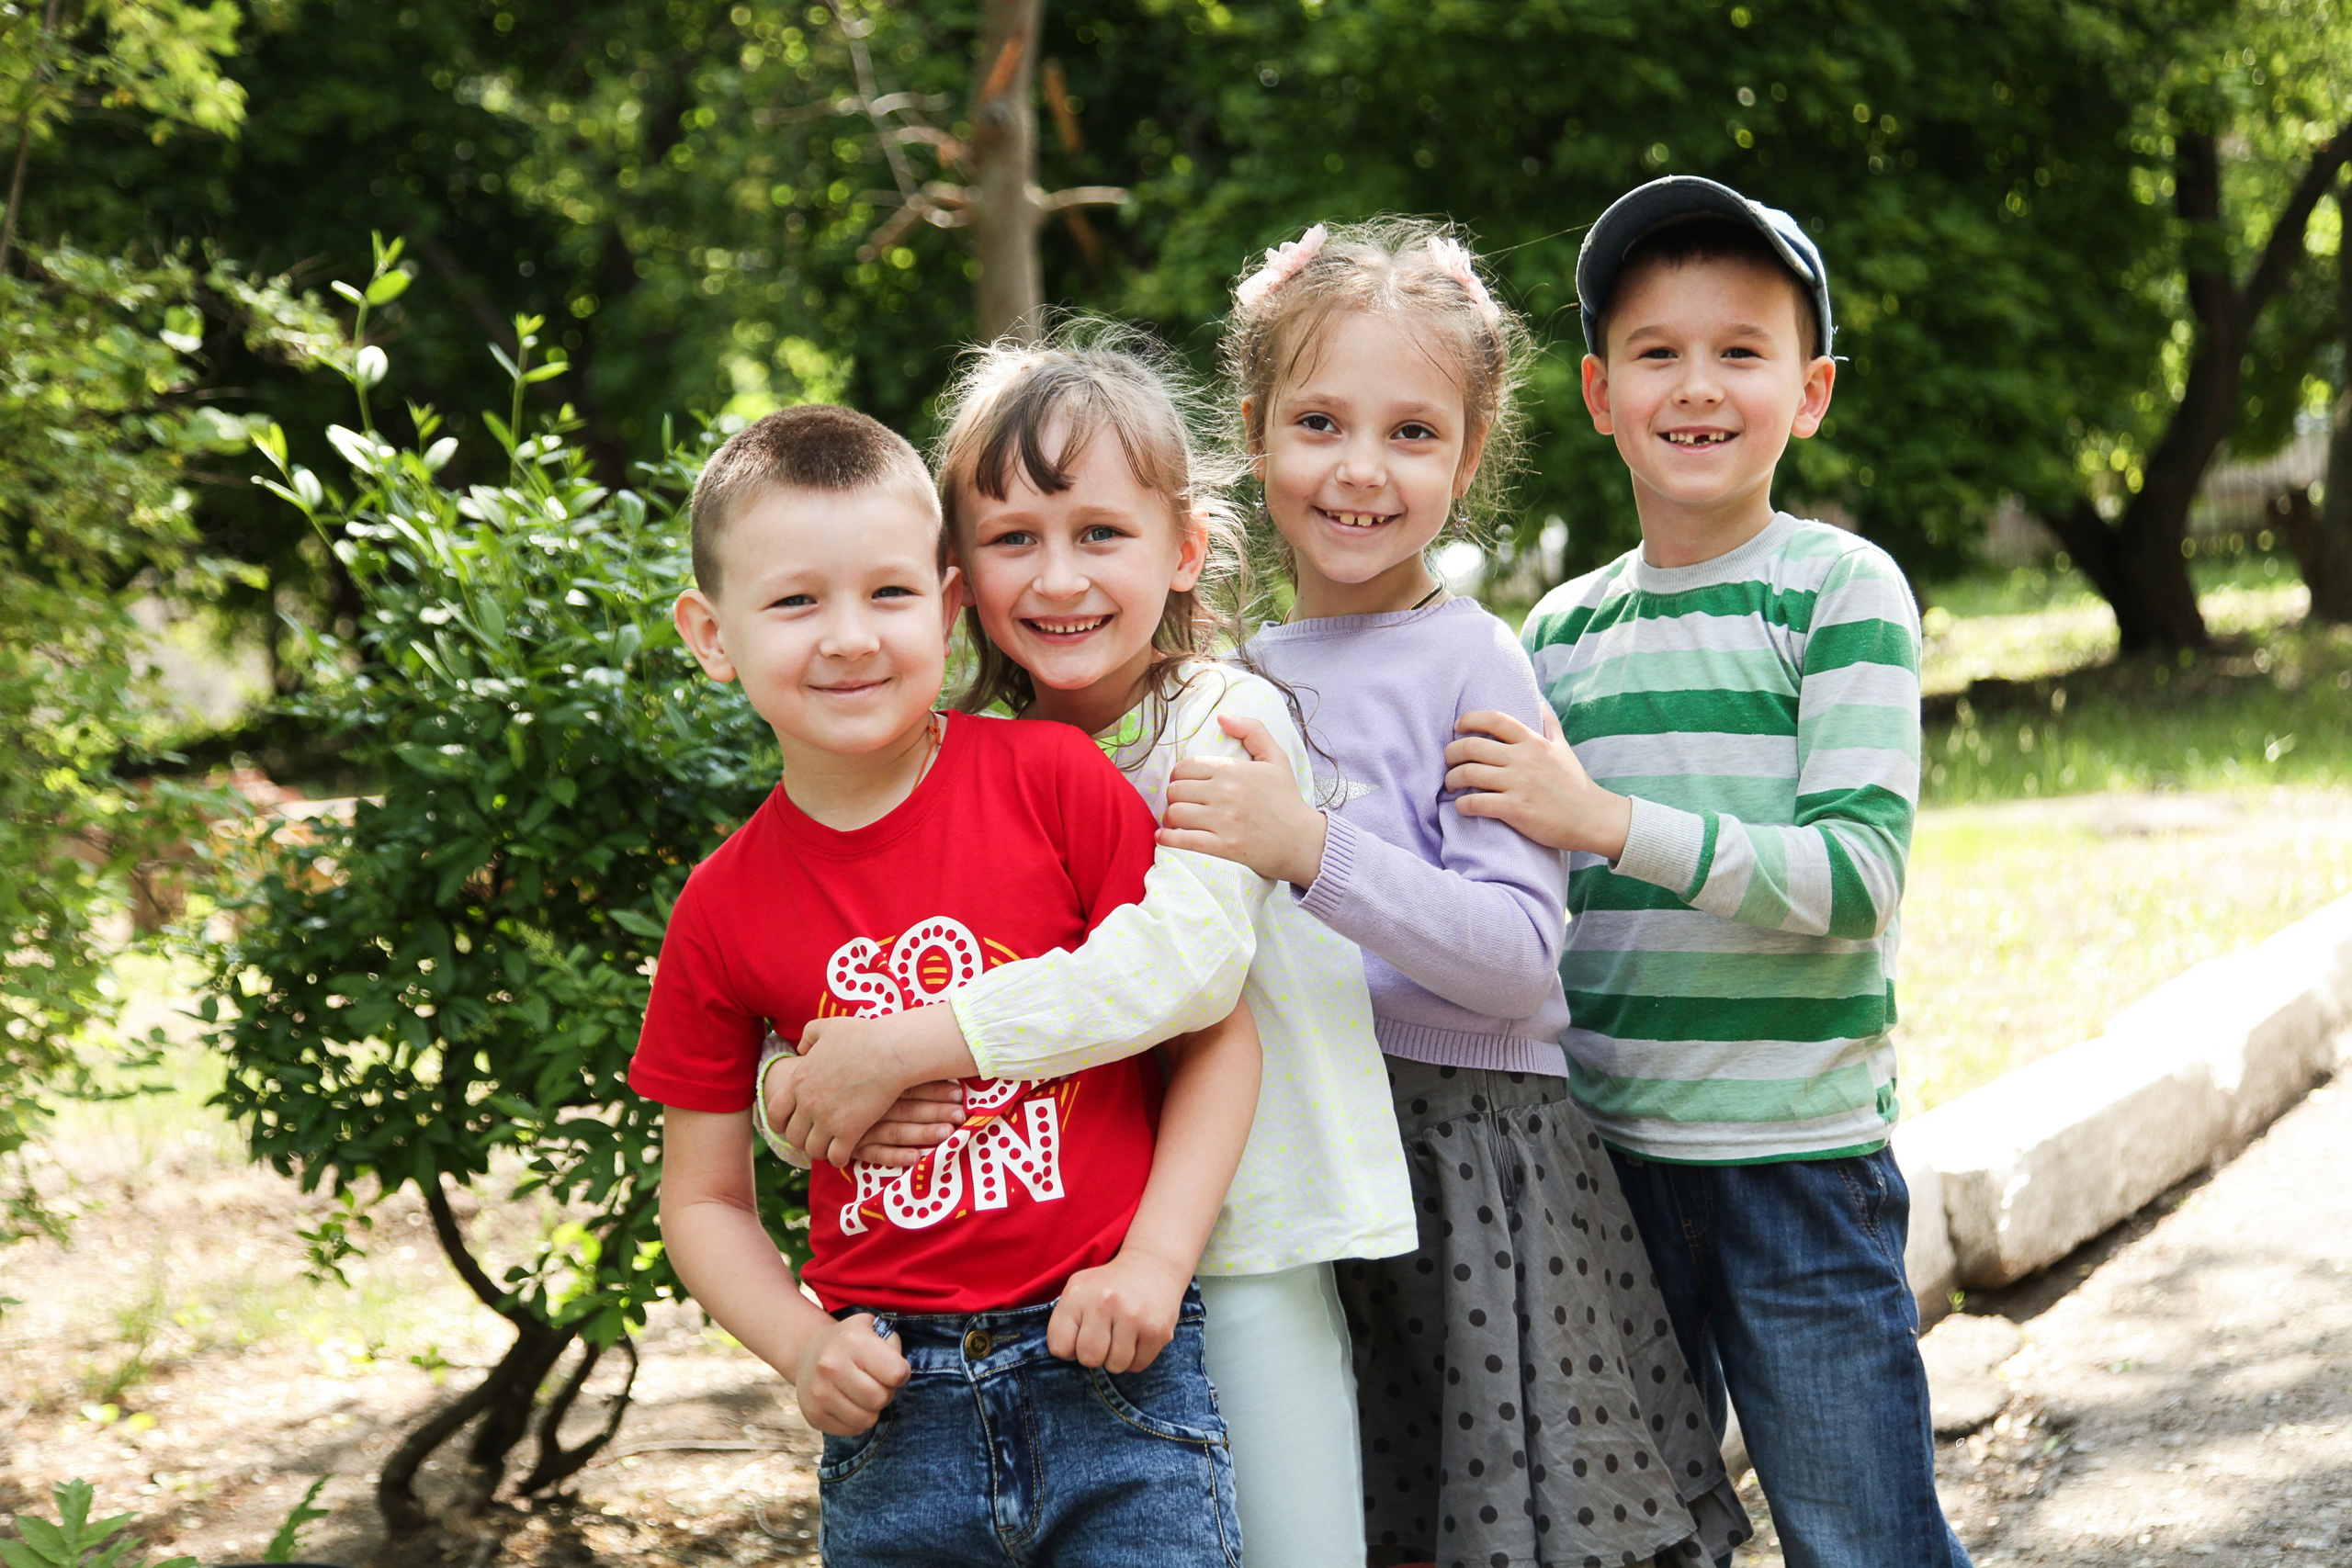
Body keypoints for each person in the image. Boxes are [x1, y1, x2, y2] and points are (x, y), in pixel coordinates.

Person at [760, 322, 1417, 1568]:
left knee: (1289, 1545)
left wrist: (910, 1044)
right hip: (1062, 1270)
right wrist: (796, 1086)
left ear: (1184, 548)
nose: (1059, 578)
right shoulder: (965, 760)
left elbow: (1181, 966)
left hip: (1245, 1231)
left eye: (1099, 533)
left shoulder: (1222, 721)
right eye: (1015, 540)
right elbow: (860, 949)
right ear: (961, 574)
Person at [1160, 220, 1747, 1568]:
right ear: (1253, 434)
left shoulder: (1473, 659)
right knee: (1340, 1517)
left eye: (1413, 433)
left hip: (1470, 1161)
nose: (1361, 469)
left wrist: (1314, 844)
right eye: (1319, 420)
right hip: (1299, 1153)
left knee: (1496, 1525)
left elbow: (1518, 957)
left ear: (1469, 458)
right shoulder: (1221, 667)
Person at [629, 403, 1261, 1567]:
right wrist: (800, 1347)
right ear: (711, 635)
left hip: (1109, 1362)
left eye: (887, 593)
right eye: (794, 602)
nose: (850, 638)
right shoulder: (720, 909)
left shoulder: (1050, 783)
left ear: (947, 603)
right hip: (892, 1402)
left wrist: (1156, 1265)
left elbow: (1215, 1038)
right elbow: (702, 1199)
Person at [1442, 175, 1969, 1568]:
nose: (1700, 383)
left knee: (1862, 1536)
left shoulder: (1840, 589)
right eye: (1659, 351)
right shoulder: (1555, 630)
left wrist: (1609, 818)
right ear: (1601, 391)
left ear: (1812, 391)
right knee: (1639, 1535)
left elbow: (1857, 876)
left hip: (1796, 1160)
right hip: (1603, 1172)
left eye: (1742, 350)